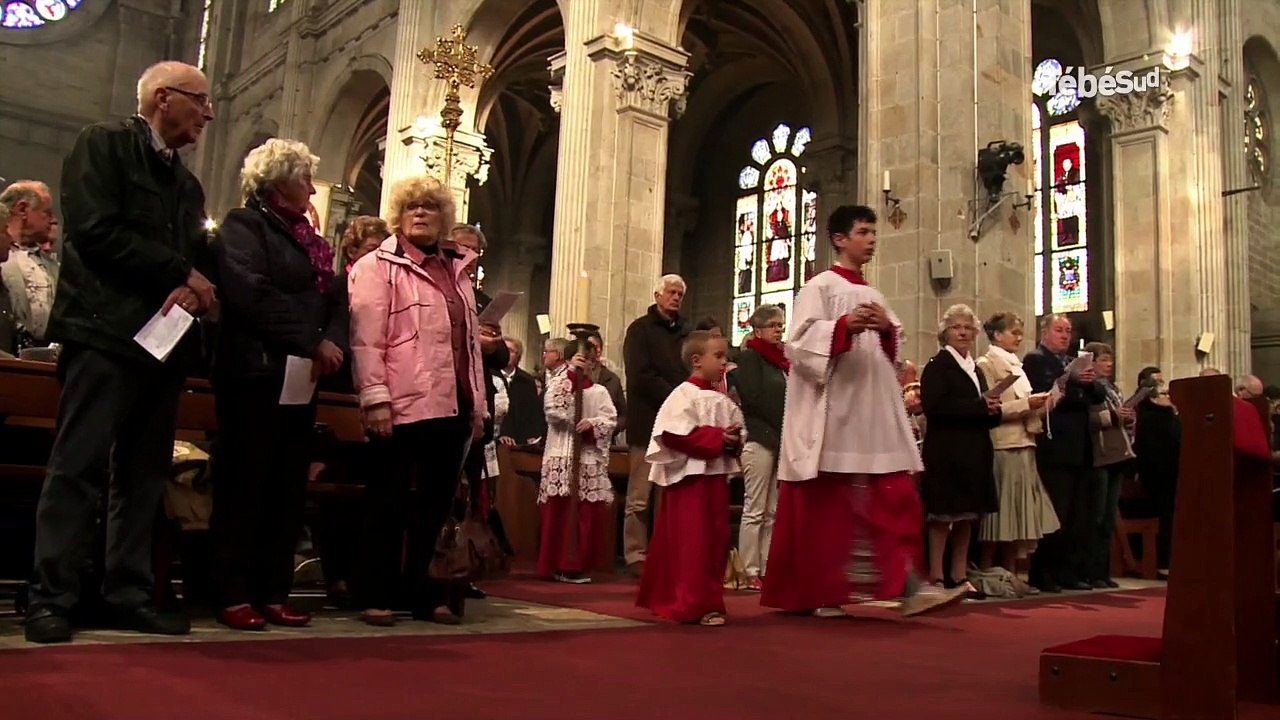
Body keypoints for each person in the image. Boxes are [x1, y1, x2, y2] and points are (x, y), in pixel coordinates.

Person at [25, 61, 217, 644]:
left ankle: (125, 594)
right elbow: (94, 229)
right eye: (200, 101)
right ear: (164, 98)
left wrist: (193, 281)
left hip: (162, 345)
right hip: (103, 333)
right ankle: (52, 596)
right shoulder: (104, 145)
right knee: (77, 468)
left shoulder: (186, 184)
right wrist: (177, 269)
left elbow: (198, 251)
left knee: (143, 473)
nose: (208, 113)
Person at [761, 204, 964, 618]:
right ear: (839, 239)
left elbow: (892, 353)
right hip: (835, 410)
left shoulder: (875, 294)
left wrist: (886, 330)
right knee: (831, 506)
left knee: (894, 497)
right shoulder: (819, 286)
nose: (872, 239)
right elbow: (797, 347)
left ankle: (909, 584)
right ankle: (825, 591)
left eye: (874, 232)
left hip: (872, 411)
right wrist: (843, 327)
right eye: (864, 231)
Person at [208, 138, 345, 631]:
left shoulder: (308, 237)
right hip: (255, 371)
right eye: (305, 178)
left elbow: (332, 300)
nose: (312, 188)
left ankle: (273, 590)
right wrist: (312, 341)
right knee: (246, 483)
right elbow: (251, 294)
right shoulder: (246, 226)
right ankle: (231, 590)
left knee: (286, 488)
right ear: (279, 182)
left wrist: (329, 338)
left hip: (299, 377)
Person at [348, 176, 486, 627]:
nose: (421, 213)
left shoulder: (458, 270)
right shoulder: (377, 265)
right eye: (413, 207)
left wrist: (478, 406)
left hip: (453, 403)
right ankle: (376, 591)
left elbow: (468, 346)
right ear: (399, 217)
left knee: (433, 505)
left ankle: (422, 593)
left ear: (444, 217)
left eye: (430, 206)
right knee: (386, 501)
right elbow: (367, 340)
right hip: (402, 399)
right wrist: (375, 400)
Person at [638, 330, 745, 625]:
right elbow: (673, 434)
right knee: (692, 542)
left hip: (714, 480)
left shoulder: (721, 398)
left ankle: (709, 600)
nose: (725, 362)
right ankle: (689, 602)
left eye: (726, 356)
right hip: (689, 480)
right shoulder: (682, 395)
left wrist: (734, 440)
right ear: (696, 361)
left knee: (715, 541)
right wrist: (717, 439)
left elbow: (737, 432)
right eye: (719, 356)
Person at [919, 304, 1002, 592]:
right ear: (945, 333)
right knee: (943, 517)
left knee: (968, 516)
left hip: (975, 450)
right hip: (946, 451)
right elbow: (936, 407)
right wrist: (979, 406)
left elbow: (979, 409)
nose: (963, 332)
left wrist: (992, 410)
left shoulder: (975, 369)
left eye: (968, 327)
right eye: (957, 327)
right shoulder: (937, 366)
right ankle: (937, 574)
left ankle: (959, 573)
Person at [1021, 314, 1103, 592]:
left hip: (1080, 448)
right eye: (1059, 330)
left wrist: (1088, 384)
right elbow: (1047, 394)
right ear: (1045, 333)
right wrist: (1077, 387)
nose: (1065, 335)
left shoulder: (1072, 363)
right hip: (1054, 446)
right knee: (1055, 512)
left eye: (1068, 331)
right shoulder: (1035, 360)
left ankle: (1068, 570)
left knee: (1077, 515)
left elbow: (1098, 397)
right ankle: (1043, 573)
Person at [974, 312, 1058, 574]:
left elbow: (1027, 405)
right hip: (1003, 444)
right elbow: (991, 408)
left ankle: (1011, 572)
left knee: (1019, 516)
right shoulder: (986, 364)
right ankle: (988, 571)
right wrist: (1026, 404)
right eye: (1014, 332)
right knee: (1001, 516)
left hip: (1025, 442)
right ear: (997, 335)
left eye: (1021, 332)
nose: (1019, 338)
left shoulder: (1017, 367)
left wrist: (1048, 402)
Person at [621, 274, 690, 575]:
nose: (675, 298)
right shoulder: (639, 330)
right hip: (647, 422)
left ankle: (665, 551)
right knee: (640, 496)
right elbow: (640, 376)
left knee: (669, 494)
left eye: (680, 294)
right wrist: (679, 394)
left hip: (678, 426)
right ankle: (636, 553)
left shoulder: (687, 332)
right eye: (671, 292)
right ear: (657, 295)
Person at [537, 340, 617, 583]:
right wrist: (571, 376)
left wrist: (593, 424)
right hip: (562, 451)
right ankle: (555, 563)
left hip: (587, 456)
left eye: (592, 360)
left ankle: (576, 564)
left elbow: (610, 420)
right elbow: (553, 410)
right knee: (559, 511)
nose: (589, 364)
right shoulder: (559, 384)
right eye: (584, 359)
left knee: (585, 513)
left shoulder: (599, 391)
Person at [733, 304, 788, 590]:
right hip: (759, 438)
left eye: (781, 325)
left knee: (772, 510)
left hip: (779, 439)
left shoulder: (781, 362)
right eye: (774, 325)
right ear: (757, 330)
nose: (779, 330)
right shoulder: (750, 358)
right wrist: (784, 420)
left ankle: (767, 567)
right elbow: (753, 397)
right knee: (754, 509)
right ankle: (749, 568)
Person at [1081, 342, 1135, 589]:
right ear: (1091, 363)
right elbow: (1087, 420)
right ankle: (1089, 570)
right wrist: (1114, 416)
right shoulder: (1089, 389)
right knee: (1096, 515)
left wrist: (1129, 418)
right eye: (1103, 360)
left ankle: (1102, 571)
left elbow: (1122, 421)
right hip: (1100, 455)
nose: (1108, 364)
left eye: (1110, 360)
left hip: (1118, 454)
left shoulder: (1114, 390)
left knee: (1108, 518)